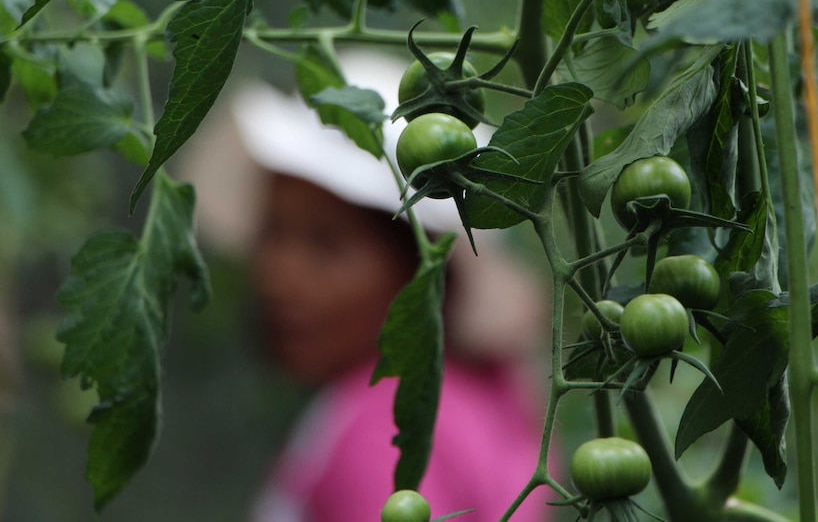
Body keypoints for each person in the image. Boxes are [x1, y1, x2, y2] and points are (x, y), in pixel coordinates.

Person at [182, 50, 555, 522]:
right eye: (273, 232)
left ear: (420, 270)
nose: (278, 274)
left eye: (326, 246)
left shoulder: (386, 428)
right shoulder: (479, 403)